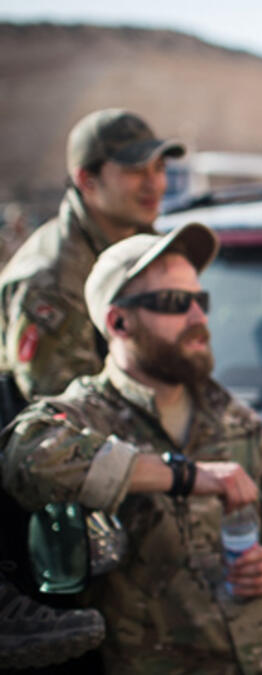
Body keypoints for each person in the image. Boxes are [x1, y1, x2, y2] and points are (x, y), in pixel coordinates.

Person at [0, 223, 262, 673]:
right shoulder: (86, 414)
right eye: (173, 303)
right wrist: (182, 474)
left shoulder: (232, 418)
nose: (197, 318)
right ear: (118, 321)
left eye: (199, 300)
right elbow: (24, 456)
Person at [0, 108, 183, 670]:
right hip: (46, 486)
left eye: (159, 167)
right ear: (87, 180)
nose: (155, 183)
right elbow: (54, 417)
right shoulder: (52, 277)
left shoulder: (138, 245)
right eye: (135, 171)